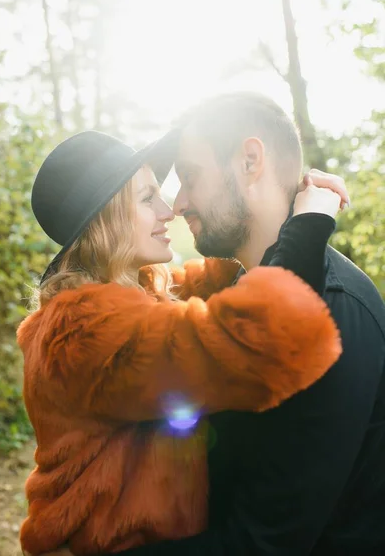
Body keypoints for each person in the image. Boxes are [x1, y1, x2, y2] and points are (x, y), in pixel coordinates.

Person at [18, 129, 344, 556]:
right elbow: (252, 340)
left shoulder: (140, 291)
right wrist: (309, 222)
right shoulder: (81, 330)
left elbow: (210, 279)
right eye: (147, 197)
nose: (168, 210)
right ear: (106, 219)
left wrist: (271, 205)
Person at [106, 92, 383, 556]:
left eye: (190, 177)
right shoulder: (234, 291)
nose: (179, 203)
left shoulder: (330, 313)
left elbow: (263, 543)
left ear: (250, 161)